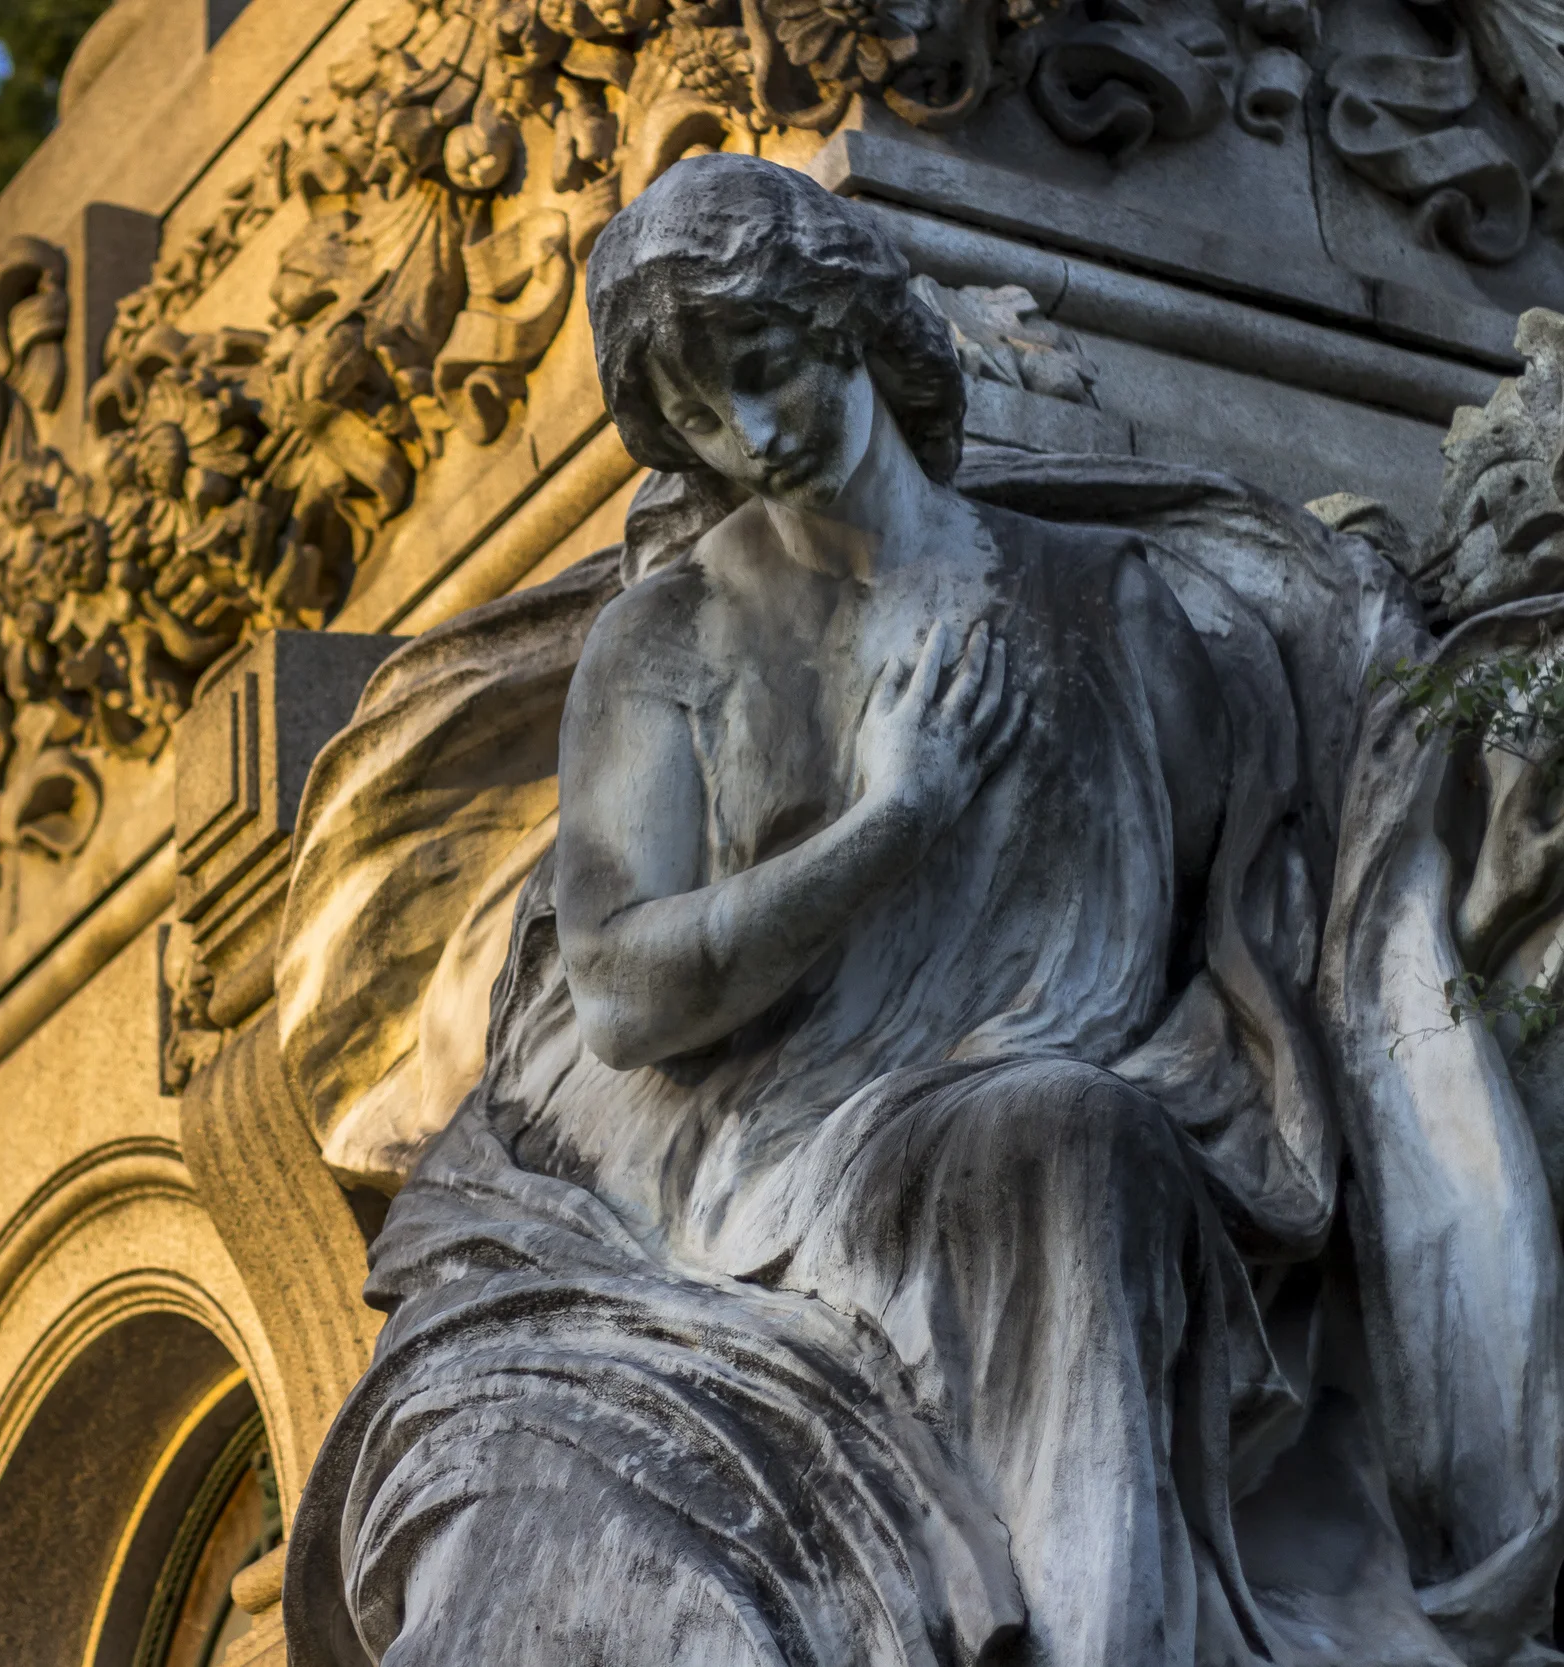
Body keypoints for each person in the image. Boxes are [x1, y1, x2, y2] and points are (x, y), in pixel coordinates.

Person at [284, 155, 1560, 1666]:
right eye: (699, 414)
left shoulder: (1107, 605)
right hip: (740, 1179)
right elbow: (620, 990)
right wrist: (895, 819)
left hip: (1030, 1105)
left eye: (766, 368)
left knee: (1069, 1136)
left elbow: (1229, 936)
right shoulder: (670, 637)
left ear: (853, 324)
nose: (751, 436)